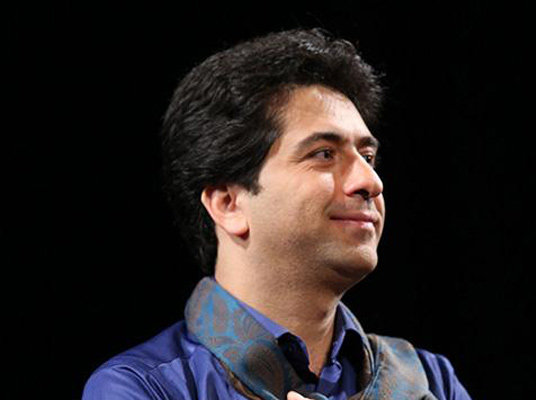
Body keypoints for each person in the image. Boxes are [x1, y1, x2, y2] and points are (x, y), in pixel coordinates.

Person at [83, 28, 472, 400]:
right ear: (229, 204)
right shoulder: (143, 388)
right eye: (324, 154)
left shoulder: (430, 380)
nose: (370, 181)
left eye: (368, 157)